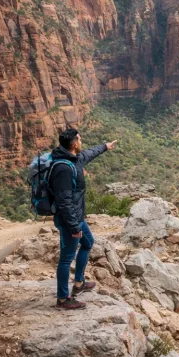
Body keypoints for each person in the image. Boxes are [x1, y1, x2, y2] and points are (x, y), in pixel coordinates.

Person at [49, 128, 117, 310]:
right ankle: (63, 299)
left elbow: (89, 153)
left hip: (78, 217)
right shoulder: (63, 168)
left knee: (88, 243)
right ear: (74, 143)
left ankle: (79, 282)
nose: (82, 140)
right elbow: (64, 202)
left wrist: (105, 146)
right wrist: (73, 227)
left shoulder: (74, 159)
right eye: (79, 138)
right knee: (66, 258)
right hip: (69, 220)